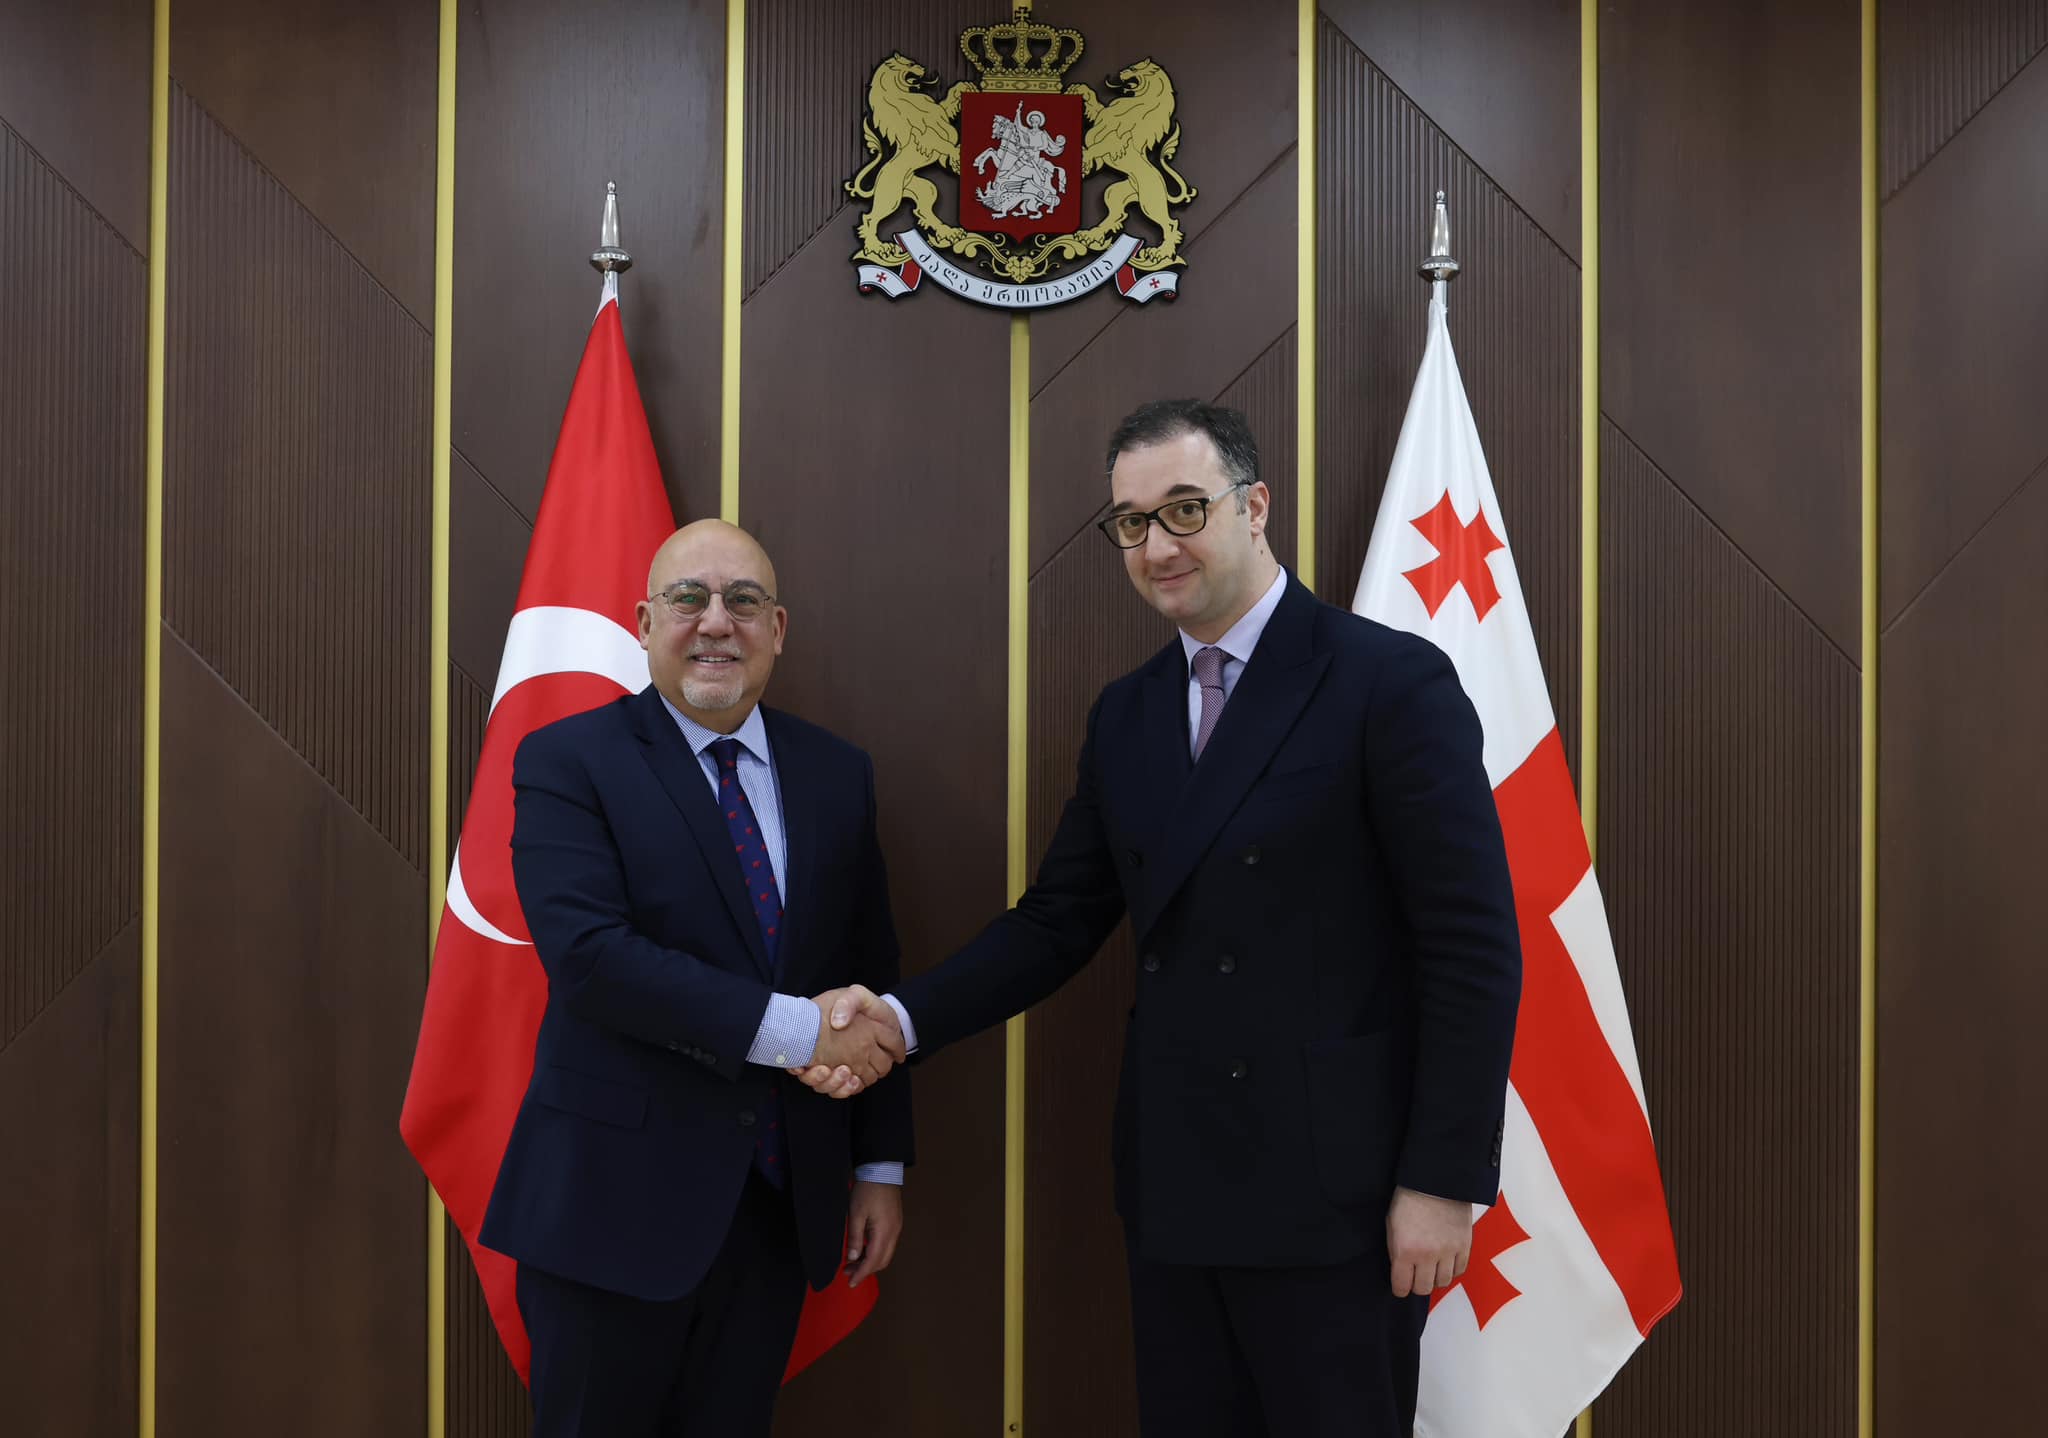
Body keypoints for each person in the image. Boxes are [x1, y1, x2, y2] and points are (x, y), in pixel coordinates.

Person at [801, 400, 1521, 1436]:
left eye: (1185, 508)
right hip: (1178, 1184)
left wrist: (1442, 1182)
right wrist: (900, 1022)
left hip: (1342, 1199)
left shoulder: (1385, 681)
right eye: (1132, 522)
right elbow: (1056, 921)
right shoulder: (1127, 713)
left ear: (1254, 506)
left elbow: (1471, 951)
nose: (1158, 545)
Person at [481, 520, 911, 1436]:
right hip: (609, 1215)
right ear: (644, 623)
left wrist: (878, 1164)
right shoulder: (567, 760)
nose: (716, 621)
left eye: (743, 601)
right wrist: (801, 1032)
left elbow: (870, 969)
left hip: (775, 1213)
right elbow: (592, 960)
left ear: (777, 629)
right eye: (689, 599)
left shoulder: (838, 775)